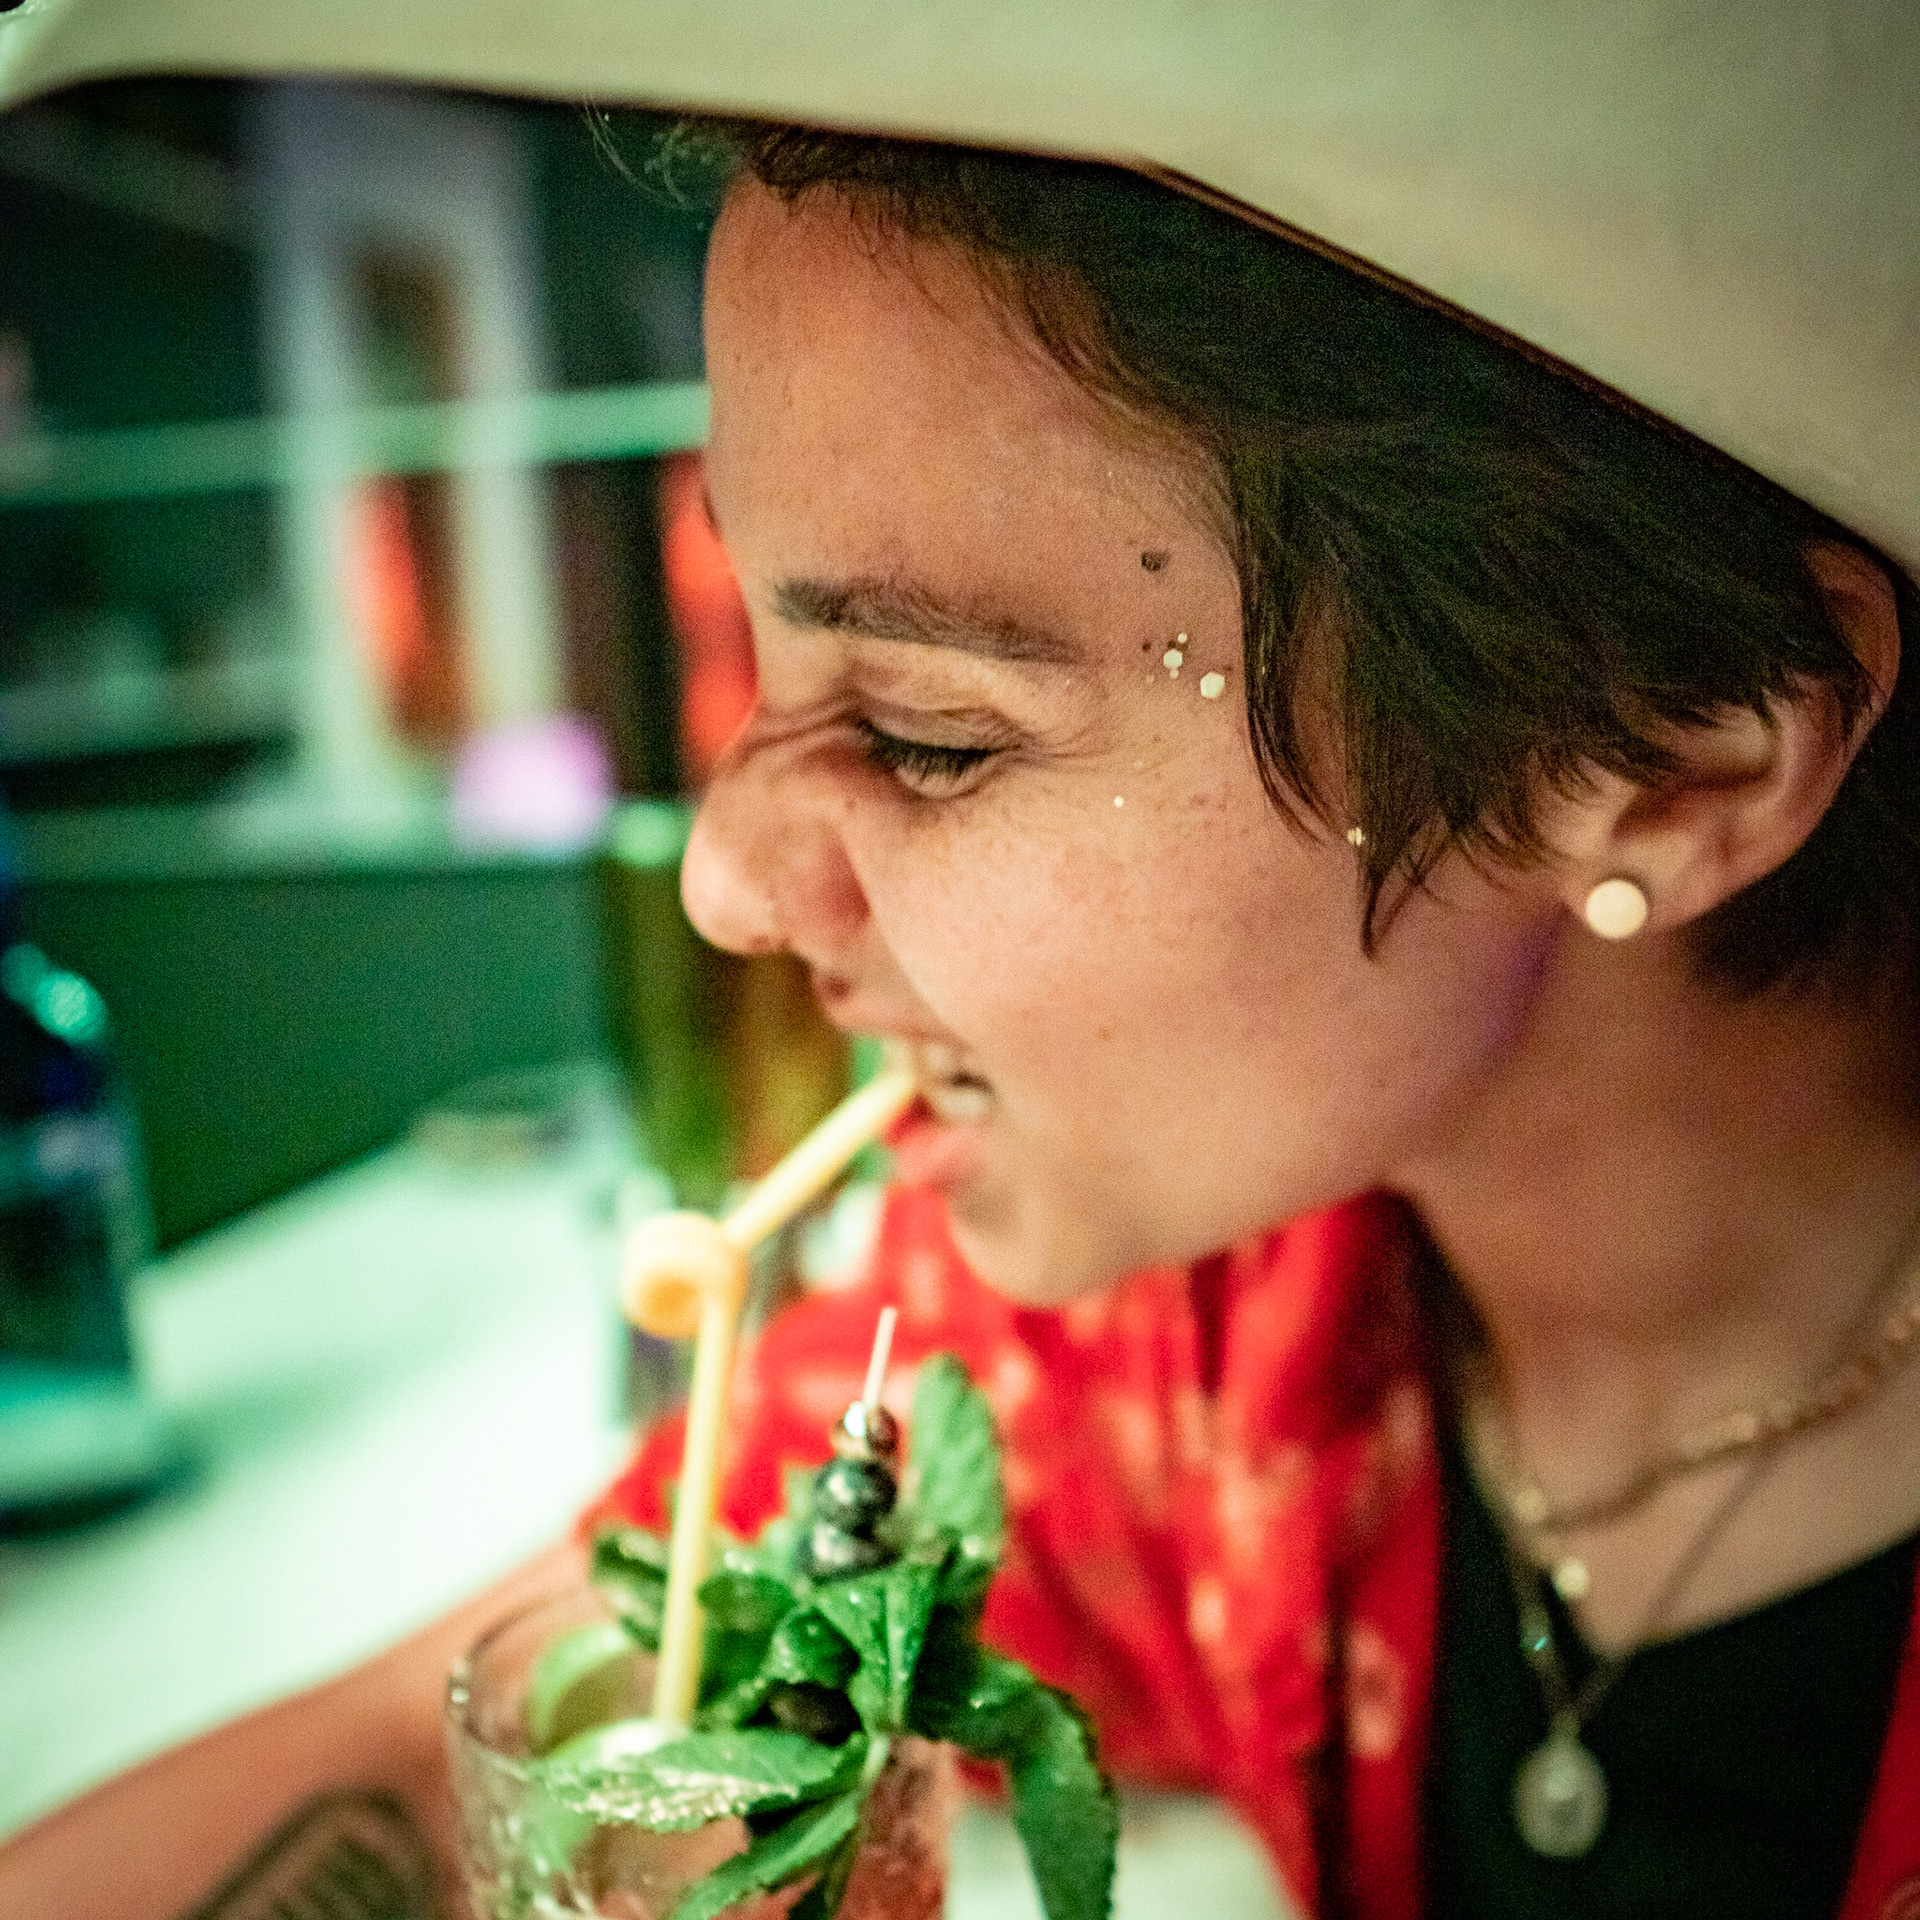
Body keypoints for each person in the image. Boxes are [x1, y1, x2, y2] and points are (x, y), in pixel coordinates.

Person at [7, 75, 1920, 1920]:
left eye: (929, 734)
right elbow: (483, 1745)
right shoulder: (1170, 1342)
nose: (723, 883)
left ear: (1674, 750)